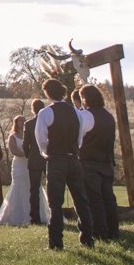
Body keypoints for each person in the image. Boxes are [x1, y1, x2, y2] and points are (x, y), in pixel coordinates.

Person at [35, 79, 97, 251]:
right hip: (74, 159)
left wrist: (48, 153)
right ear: (62, 92)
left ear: (47, 93)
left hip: (56, 160)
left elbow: (41, 139)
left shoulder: (46, 113)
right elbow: (80, 137)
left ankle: (56, 242)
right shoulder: (76, 113)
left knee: (55, 203)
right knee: (81, 200)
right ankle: (87, 238)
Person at [79, 85, 121, 242]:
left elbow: (78, 138)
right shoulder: (108, 116)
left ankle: (100, 231)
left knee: (94, 199)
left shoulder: (86, 115)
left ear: (85, 99)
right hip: (107, 161)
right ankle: (113, 230)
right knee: (109, 198)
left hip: (89, 162)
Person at [21, 98, 47, 225]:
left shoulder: (29, 124)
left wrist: (29, 155)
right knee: (53, 187)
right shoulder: (48, 122)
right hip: (49, 158)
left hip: (34, 159)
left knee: (34, 190)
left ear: (33, 110)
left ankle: (34, 218)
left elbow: (26, 144)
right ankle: (54, 214)